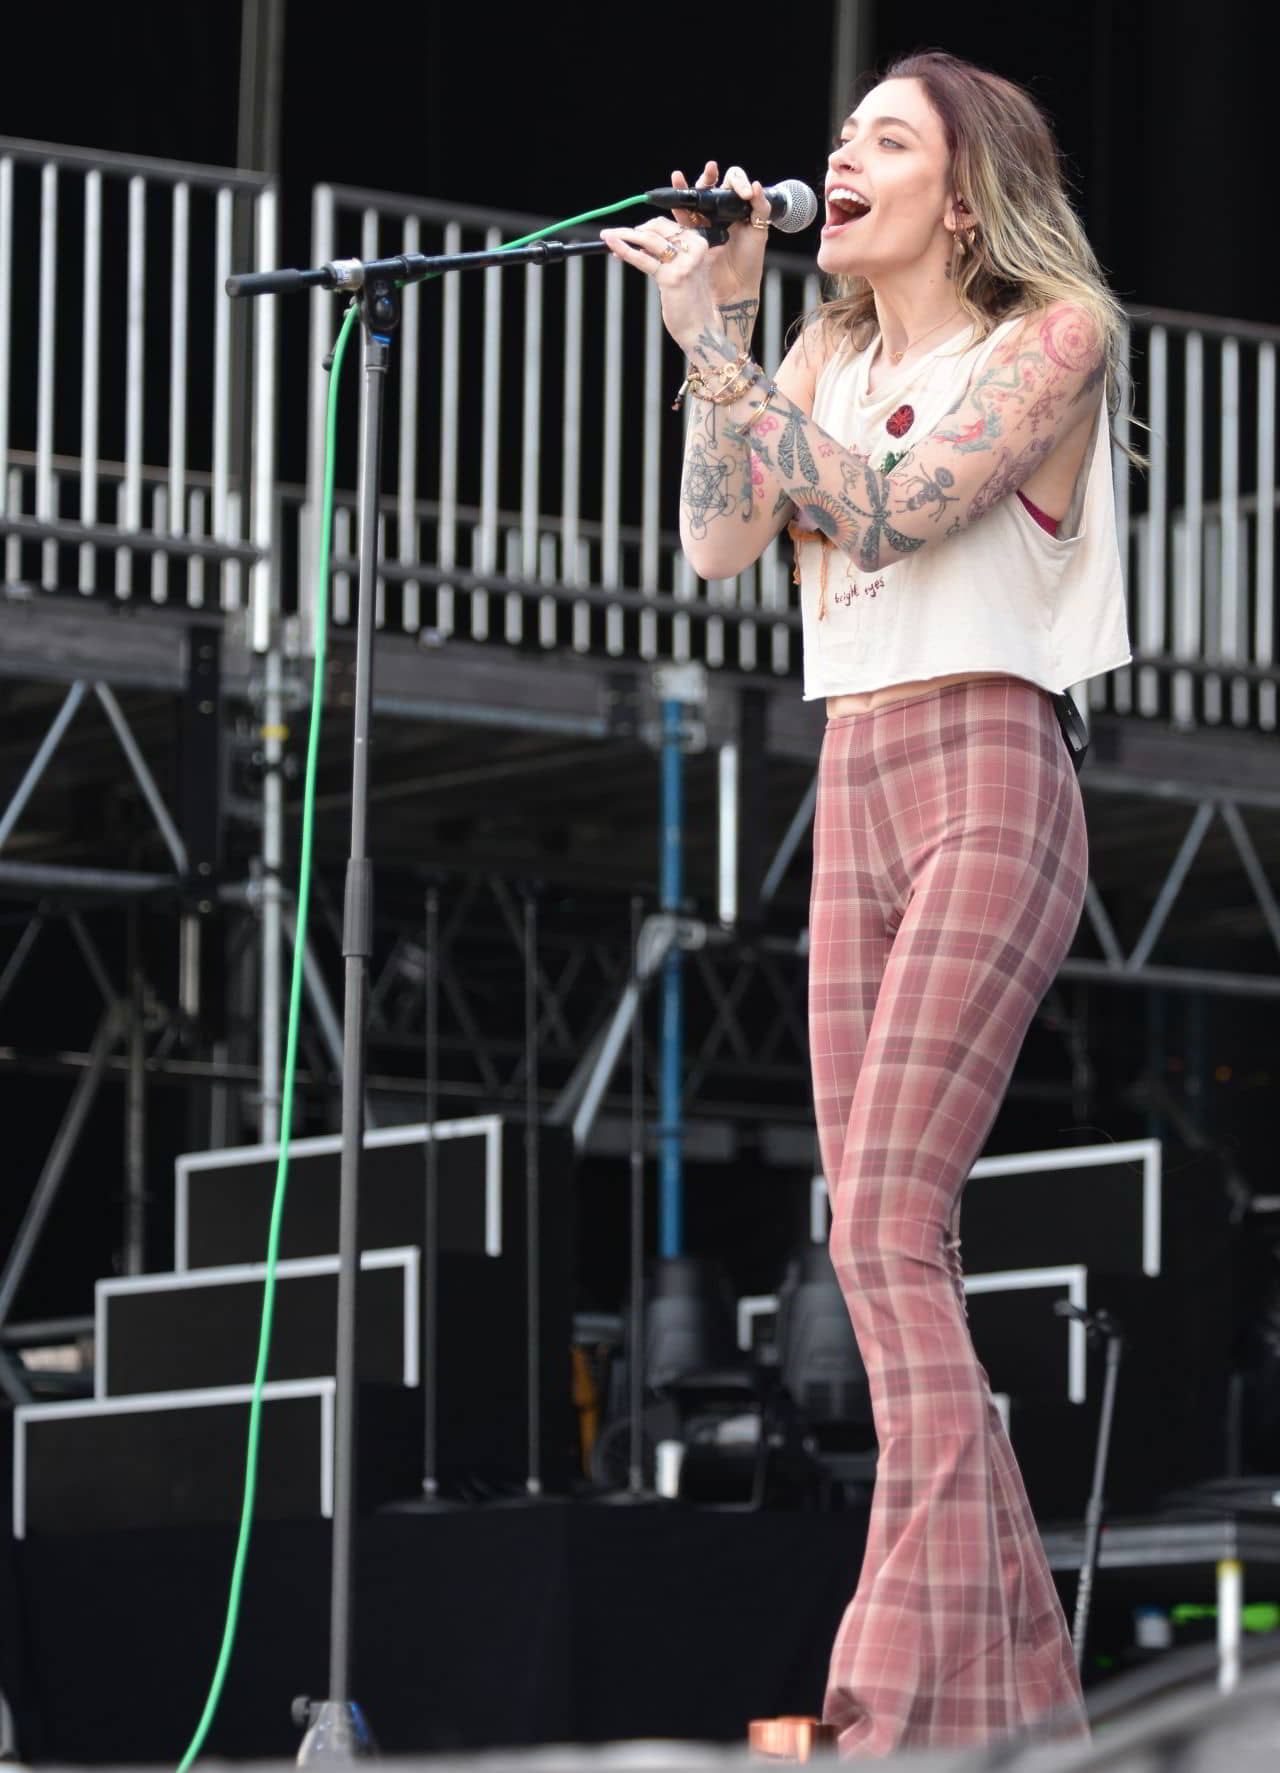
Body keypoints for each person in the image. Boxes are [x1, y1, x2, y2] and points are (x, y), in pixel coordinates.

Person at [601, 48, 1132, 1759]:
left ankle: (882, 1702)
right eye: (838, 136)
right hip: (857, 774)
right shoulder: (823, 352)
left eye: (883, 139)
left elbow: (900, 512)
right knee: (899, 1245)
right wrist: (730, 346)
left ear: (960, 193)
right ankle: (1026, 1699)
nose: (838, 157)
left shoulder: (1053, 338)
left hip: (991, 762)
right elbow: (718, 547)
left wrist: (714, 349)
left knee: (881, 1228)